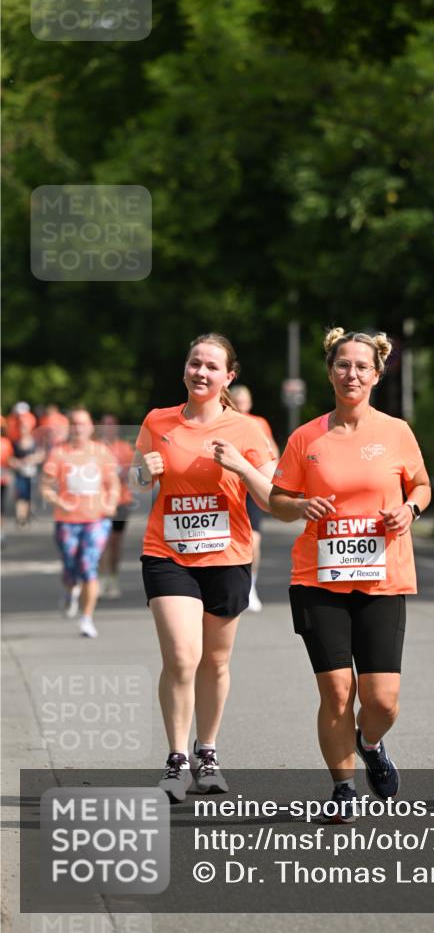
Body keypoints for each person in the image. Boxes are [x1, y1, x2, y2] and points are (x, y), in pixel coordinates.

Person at [269, 328, 431, 821]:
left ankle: (370, 741)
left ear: (377, 374)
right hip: (319, 580)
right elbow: (276, 500)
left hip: (383, 578)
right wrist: (300, 504)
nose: (351, 374)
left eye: (362, 366)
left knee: (381, 700)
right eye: (343, 365)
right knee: (337, 690)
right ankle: (342, 789)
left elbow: (421, 485)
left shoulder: (396, 431)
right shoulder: (306, 437)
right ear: (330, 371)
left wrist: (409, 510)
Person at [132, 333, 276, 803]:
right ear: (185, 369)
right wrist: (141, 473)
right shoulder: (158, 421)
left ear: (228, 377)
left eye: (212, 367)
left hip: (227, 557)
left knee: (215, 661)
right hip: (168, 553)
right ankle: (176, 760)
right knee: (181, 656)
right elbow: (134, 480)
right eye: (195, 363)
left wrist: (240, 465)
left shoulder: (248, 429)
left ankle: (207, 751)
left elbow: (271, 498)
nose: (201, 372)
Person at [41, 407, 120, 637]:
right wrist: (58, 501)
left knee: (88, 565)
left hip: (96, 520)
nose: (78, 428)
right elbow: (45, 487)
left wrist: (111, 503)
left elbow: (113, 484)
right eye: (74, 423)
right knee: (70, 566)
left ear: (91, 427)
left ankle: (87, 618)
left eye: (83, 423)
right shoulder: (59, 453)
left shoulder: (102, 452)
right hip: (67, 521)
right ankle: (70, 590)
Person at [229, 384, 279, 611]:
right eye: (236, 400)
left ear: (249, 403)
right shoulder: (223, 421)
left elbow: (273, 452)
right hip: (229, 489)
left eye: (244, 400)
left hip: (253, 488)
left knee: (255, 541)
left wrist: (274, 479)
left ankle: (252, 587)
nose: (240, 404)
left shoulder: (259, 424)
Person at [97, 414, 135, 599]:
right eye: (105, 425)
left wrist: (116, 472)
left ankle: (113, 576)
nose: (108, 428)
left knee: (115, 543)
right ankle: (102, 579)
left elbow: (128, 471)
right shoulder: (95, 448)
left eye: (111, 425)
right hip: (99, 501)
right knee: (102, 541)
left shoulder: (124, 447)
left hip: (122, 500)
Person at [9, 417, 44, 527]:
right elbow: (10, 458)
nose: (23, 430)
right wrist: (17, 463)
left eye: (25, 428)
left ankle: (27, 516)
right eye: (21, 428)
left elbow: (41, 456)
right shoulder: (15, 443)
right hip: (20, 474)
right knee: (21, 496)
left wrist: (31, 459)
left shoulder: (35, 442)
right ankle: (21, 519)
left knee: (29, 497)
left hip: (32, 474)